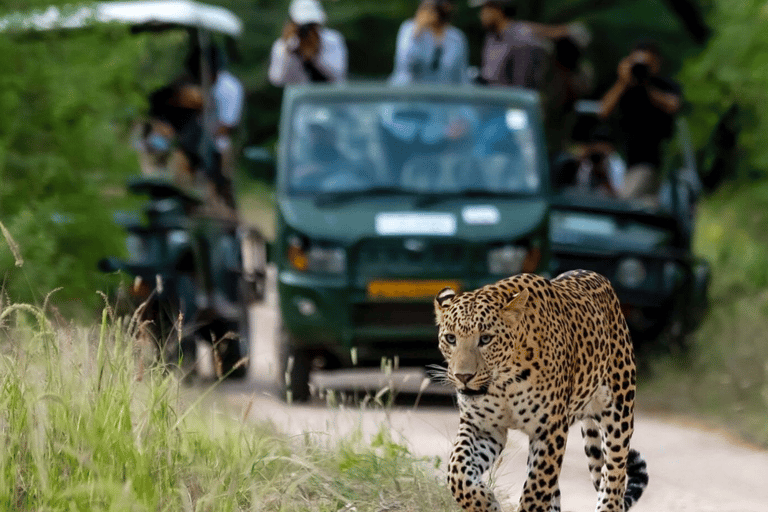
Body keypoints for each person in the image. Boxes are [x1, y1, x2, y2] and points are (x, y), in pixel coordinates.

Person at [599, 40, 681, 200]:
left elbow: (673, 105)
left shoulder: (664, 86)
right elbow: (603, 111)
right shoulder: (625, 87)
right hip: (621, 161)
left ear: (656, 64)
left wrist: (646, 86)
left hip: (648, 162)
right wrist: (622, 81)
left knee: (625, 199)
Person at [470, 0, 588, 90]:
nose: (481, 15)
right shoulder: (491, 37)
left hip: (511, 110)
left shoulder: (521, 39)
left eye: (484, 9)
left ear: (497, 8)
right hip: (489, 105)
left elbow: (522, 86)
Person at [268, 0, 348, 85]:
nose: (308, 30)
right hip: (301, 96)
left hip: (329, 95)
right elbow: (276, 79)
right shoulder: (283, 45)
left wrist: (314, 56)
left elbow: (338, 73)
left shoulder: (332, 39)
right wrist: (287, 54)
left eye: (311, 25)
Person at [390, 0, 469, 85]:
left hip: (445, 95)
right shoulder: (409, 29)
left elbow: (462, 76)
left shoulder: (457, 37)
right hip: (411, 95)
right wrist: (416, 32)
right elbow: (403, 67)